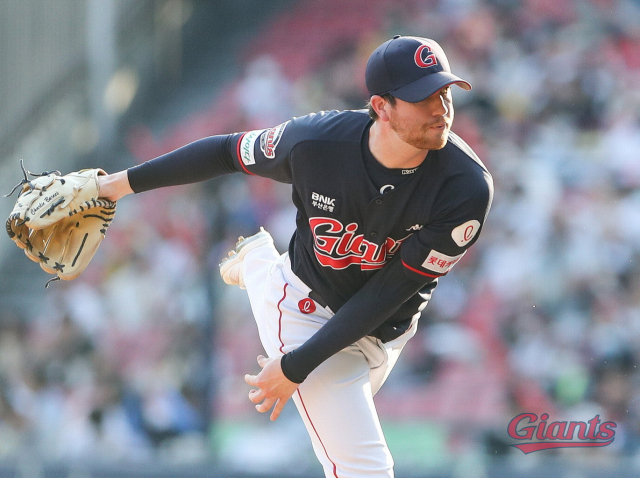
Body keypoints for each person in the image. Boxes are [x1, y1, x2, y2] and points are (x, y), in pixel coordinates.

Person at [98, 35, 493, 478]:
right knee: (365, 469)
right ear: (381, 107)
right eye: (423, 98)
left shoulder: (466, 187)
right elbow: (225, 151)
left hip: (387, 331)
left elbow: (389, 292)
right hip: (307, 311)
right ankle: (263, 273)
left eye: (444, 93)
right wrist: (111, 187)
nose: (441, 109)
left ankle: (256, 264)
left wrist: (293, 367)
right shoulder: (315, 143)